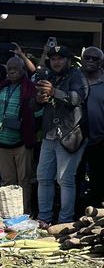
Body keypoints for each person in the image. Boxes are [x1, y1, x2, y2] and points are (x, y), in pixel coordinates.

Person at [35, 46, 88, 227]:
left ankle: (65, 222)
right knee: (43, 177)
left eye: (60, 58)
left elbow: (77, 98)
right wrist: (38, 100)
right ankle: (44, 219)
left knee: (65, 179)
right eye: (53, 59)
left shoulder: (77, 76)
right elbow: (32, 106)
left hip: (69, 135)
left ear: (69, 60)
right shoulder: (48, 77)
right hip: (49, 135)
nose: (56, 62)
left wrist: (54, 93)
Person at [0, 56, 37, 214]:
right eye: (9, 69)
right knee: (7, 181)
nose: (11, 72)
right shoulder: (1, 88)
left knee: (24, 181)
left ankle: (24, 213)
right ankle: (8, 213)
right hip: (2, 143)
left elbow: (36, 112)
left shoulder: (30, 88)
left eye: (15, 69)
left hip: (22, 142)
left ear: (23, 70)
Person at [80, 47, 104, 207]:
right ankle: (75, 214)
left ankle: (95, 216)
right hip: (74, 140)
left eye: (94, 58)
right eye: (87, 57)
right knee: (73, 179)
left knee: (99, 179)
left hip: (100, 139)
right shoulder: (73, 78)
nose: (90, 60)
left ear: (101, 62)